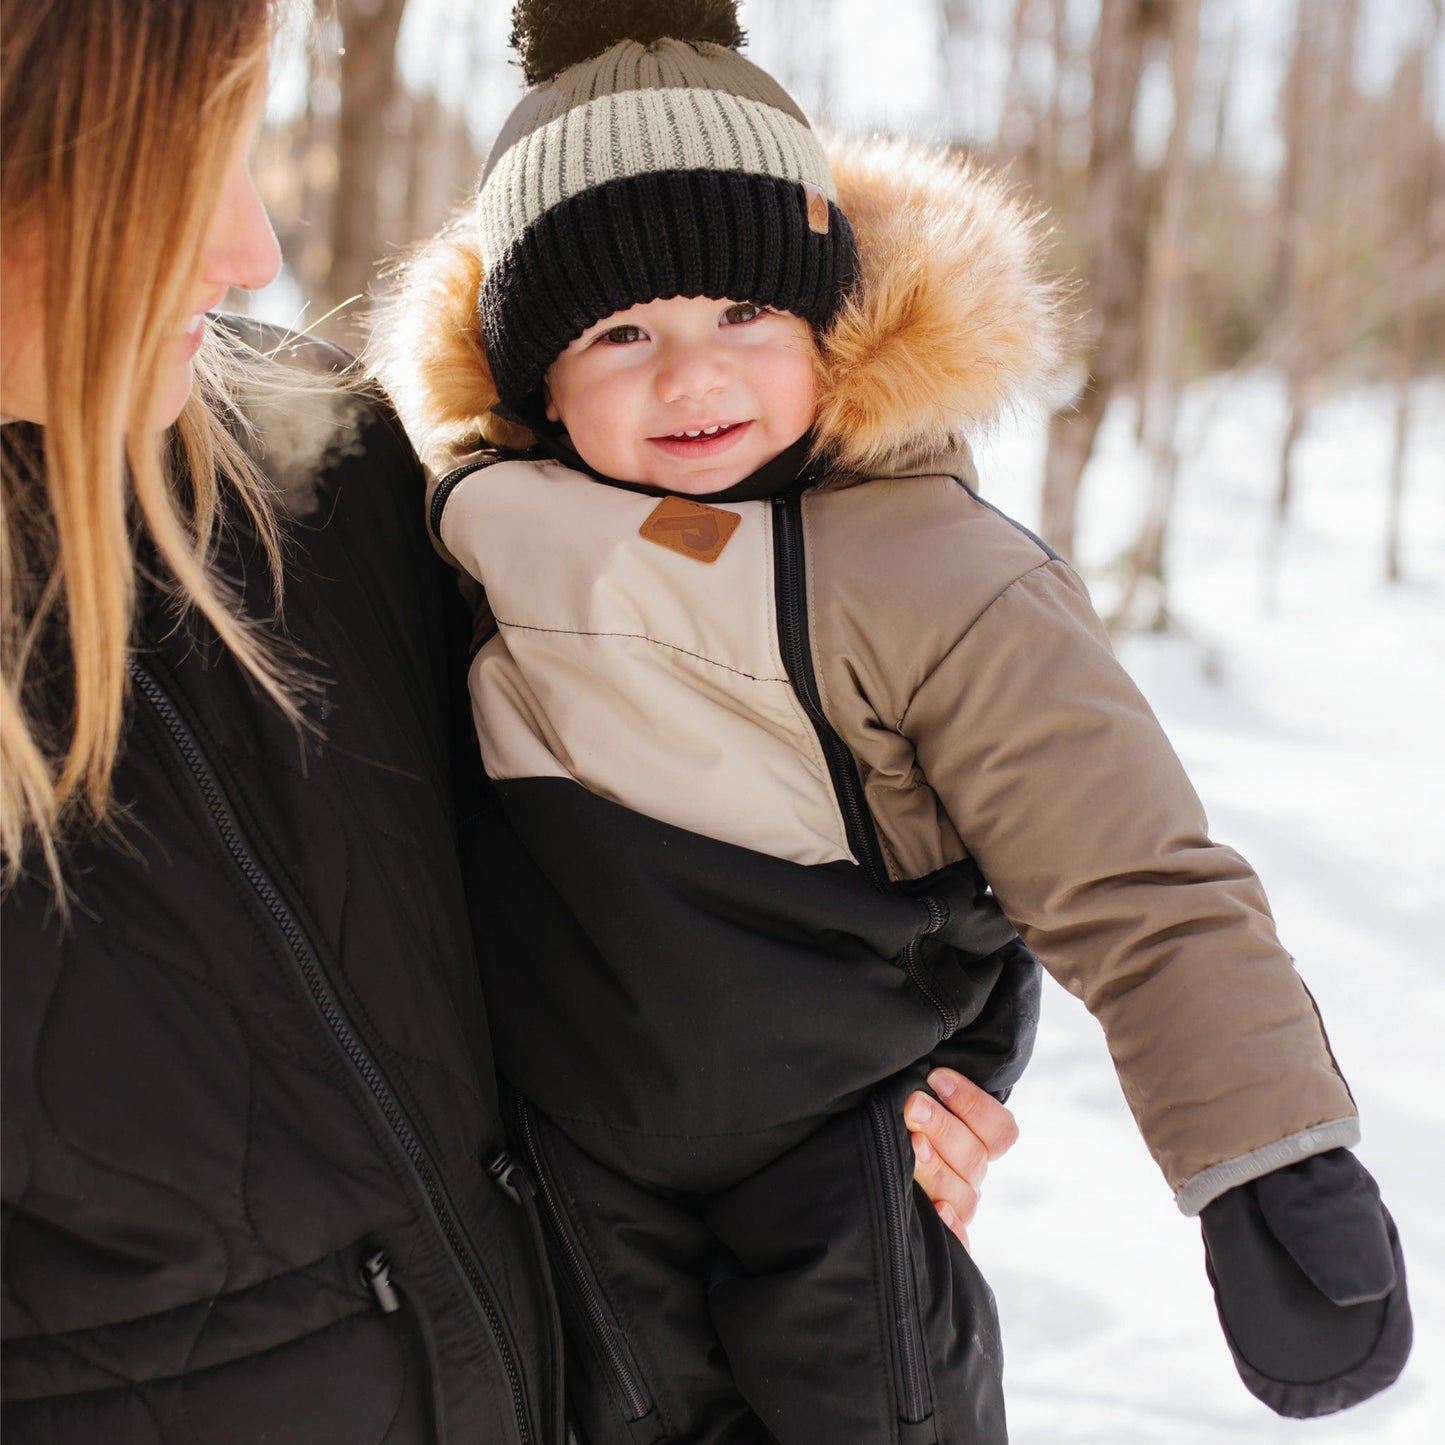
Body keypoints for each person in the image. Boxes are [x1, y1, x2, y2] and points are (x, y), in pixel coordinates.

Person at [372, 3, 1413, 1442]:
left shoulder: (930, 566)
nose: (693, 375)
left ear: (832, 324)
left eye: (746, 311)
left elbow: (1131, 876)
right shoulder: (459, 534)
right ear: (530, 376)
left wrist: (1268, 1156)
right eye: (620, 329)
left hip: (835, 1142)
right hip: (557, 1145)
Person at [0, 3, 1010, 1442]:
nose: (250, 256)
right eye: (172, 172)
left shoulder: (316, 458)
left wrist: (835, 1102)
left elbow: (591, 878)